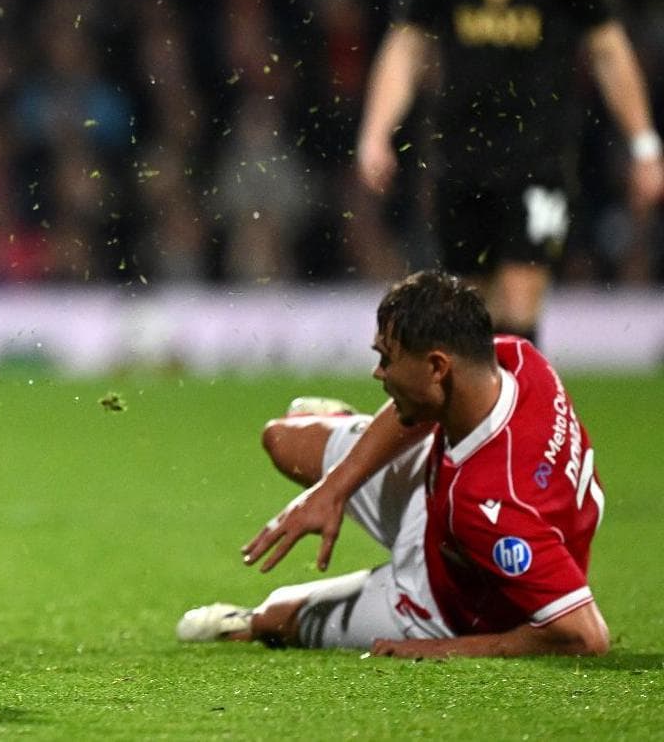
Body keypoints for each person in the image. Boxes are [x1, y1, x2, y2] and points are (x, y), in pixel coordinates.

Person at [177, 270, 608, 658]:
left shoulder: (493, 500)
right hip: (436, 482)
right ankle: (353, 432)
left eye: (387, 360)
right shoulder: (517, 359)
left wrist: (441, 648)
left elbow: (584, 635)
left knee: (277, 616)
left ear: (437, 367)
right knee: (283, 439)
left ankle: (250, 621)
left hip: (442, 598)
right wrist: (332, 490)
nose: (377, 373)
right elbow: (442, 403)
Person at [354, 0, 664, 344]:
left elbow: (609, 52)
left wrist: (645, 144)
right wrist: (375, 132)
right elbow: (406, 47)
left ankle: (519, 421)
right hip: (460, 154)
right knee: (469, 312)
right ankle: (484, 421)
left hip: (539, 155)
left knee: (520, 301)